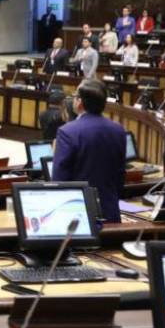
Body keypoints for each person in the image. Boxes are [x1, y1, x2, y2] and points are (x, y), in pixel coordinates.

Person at [53, 79, 126, 223]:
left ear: (79, 102)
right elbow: (120, 176)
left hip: (77, 213)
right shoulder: (118, 130)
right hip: (110, 210)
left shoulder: (67, 132)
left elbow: (59, 179)